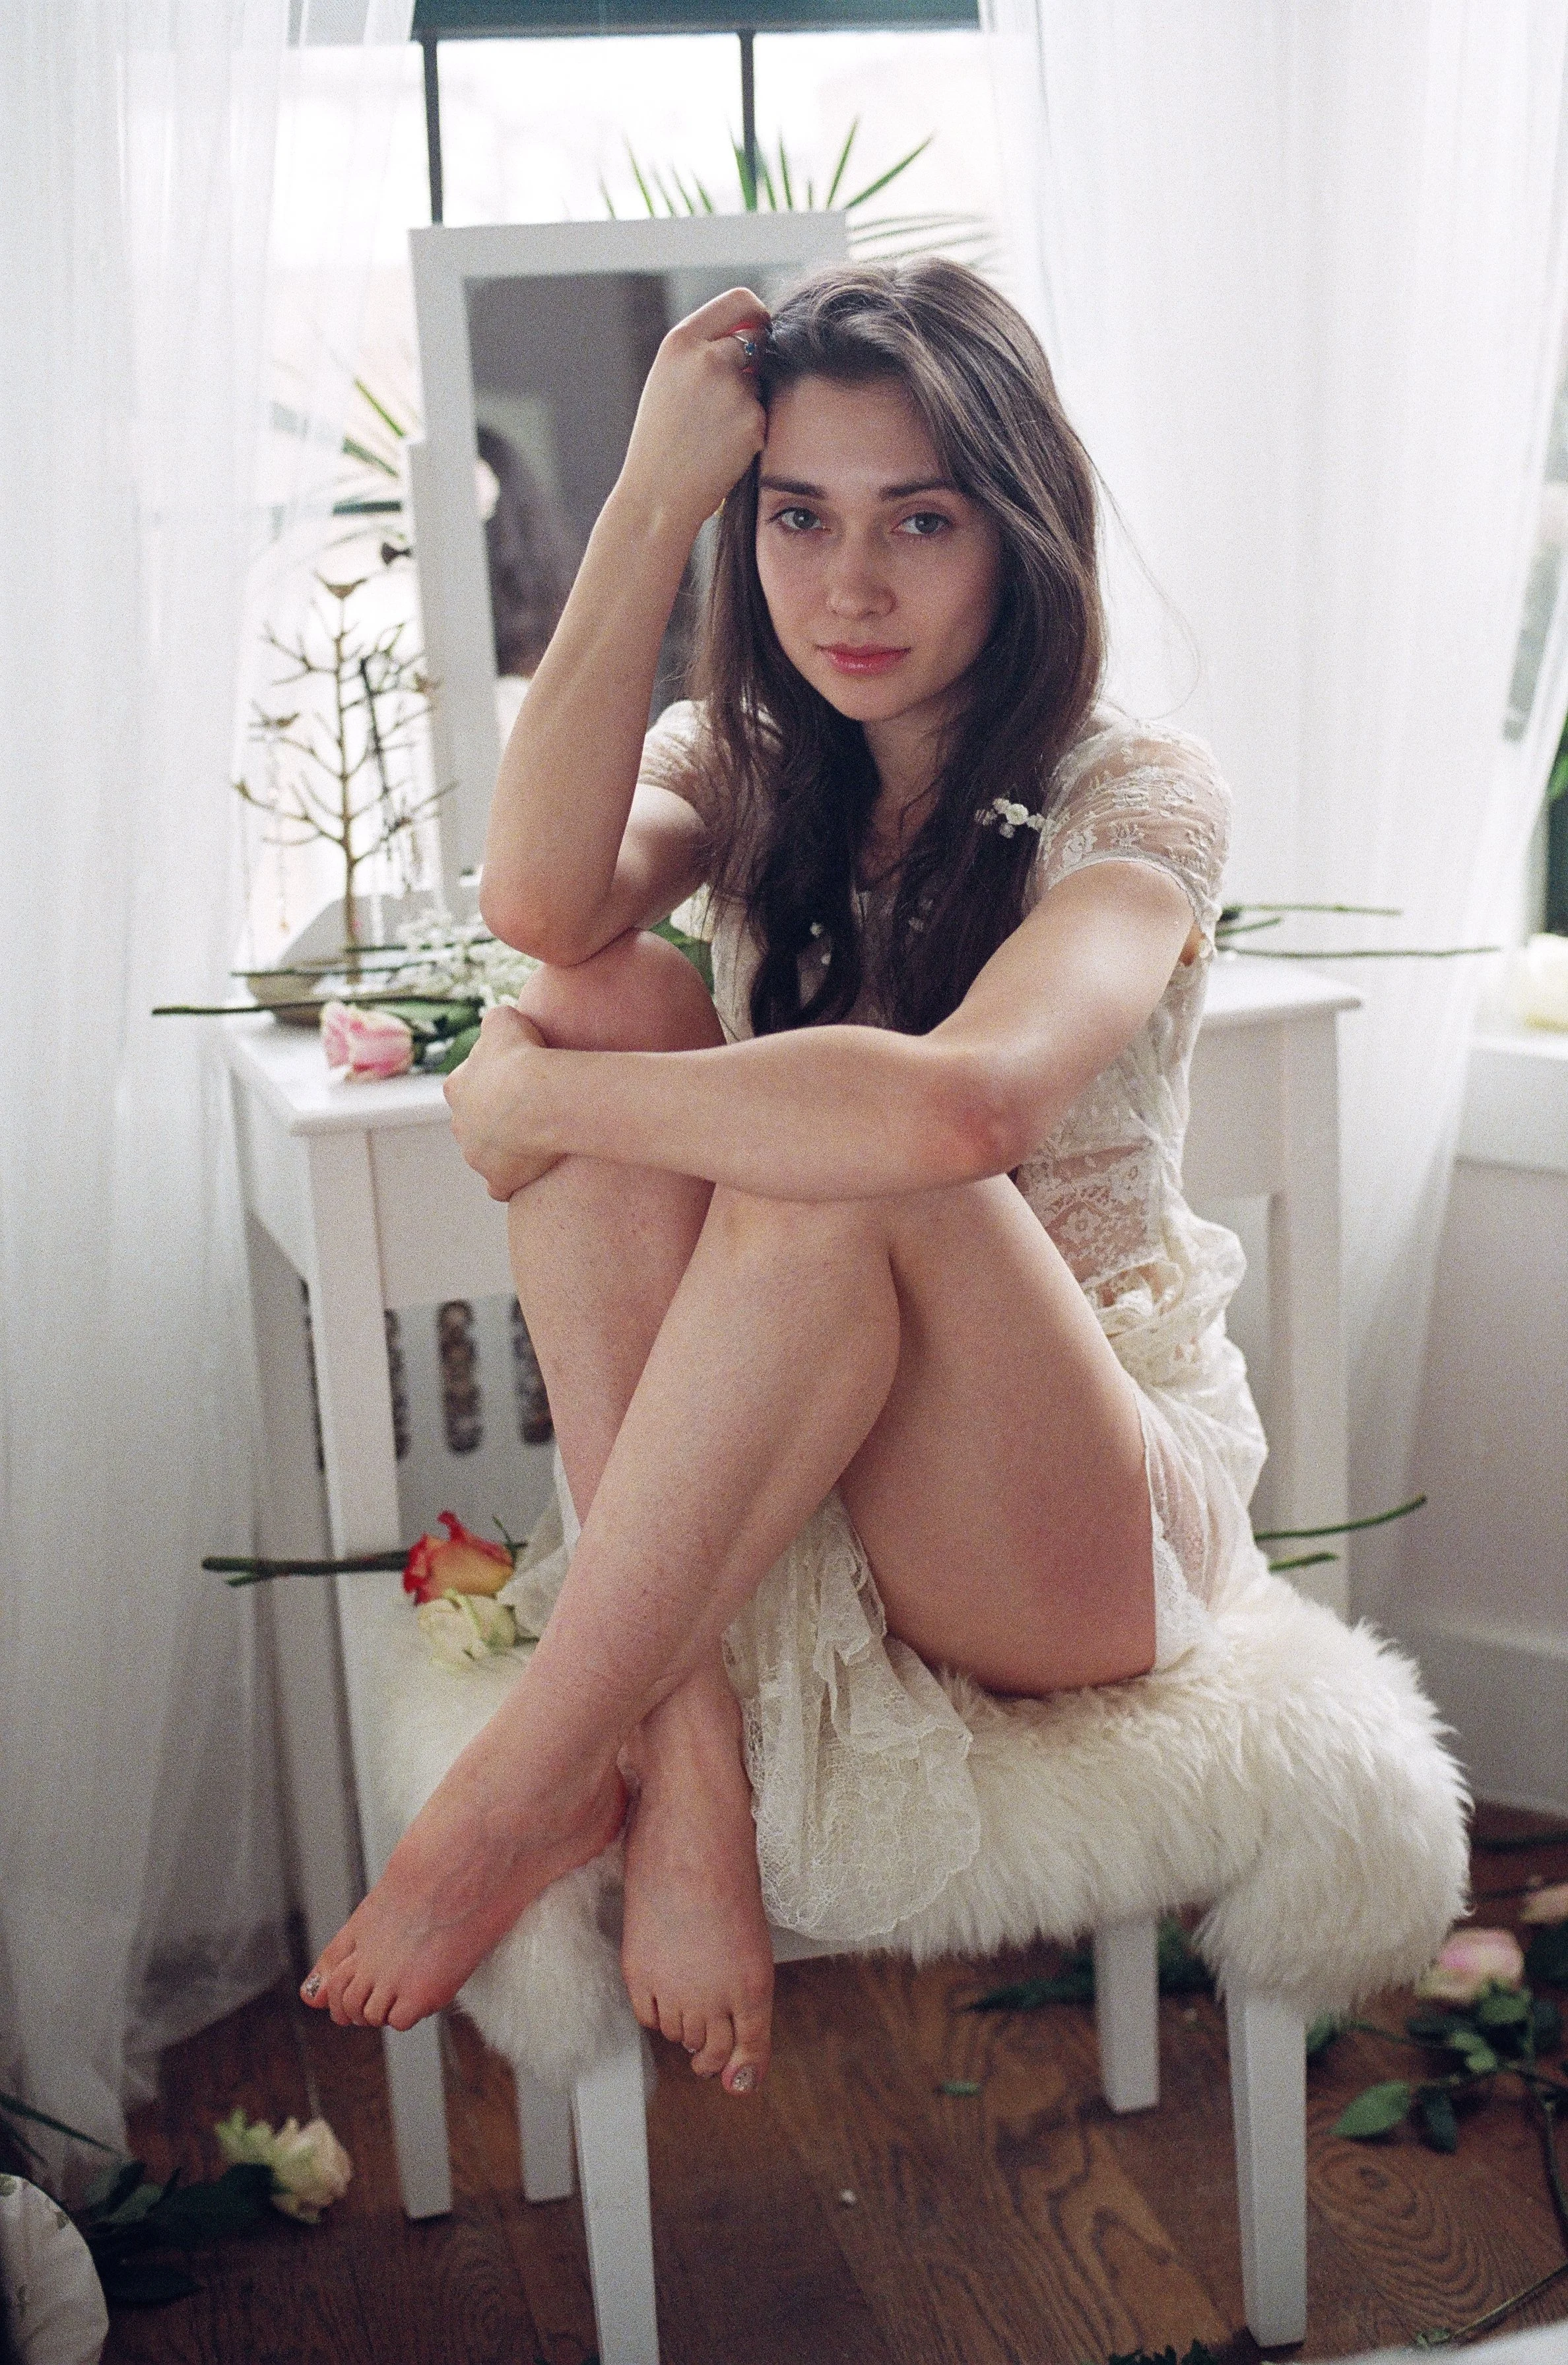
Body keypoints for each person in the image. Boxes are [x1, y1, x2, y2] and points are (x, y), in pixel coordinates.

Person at [301, 262, 1266, 2103]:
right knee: (597, 996)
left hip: (1090, 1519)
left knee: (860, 1139)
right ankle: (678, 1767)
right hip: (851, 1465)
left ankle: (529, 1773)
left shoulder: (1136, 797)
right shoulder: (739, 763)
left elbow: (964, 1110)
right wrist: (655, 493)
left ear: (1023, 531)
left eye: (923, 519)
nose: (851, 586)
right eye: (797, 519)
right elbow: (531, 909)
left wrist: (564, 1119)